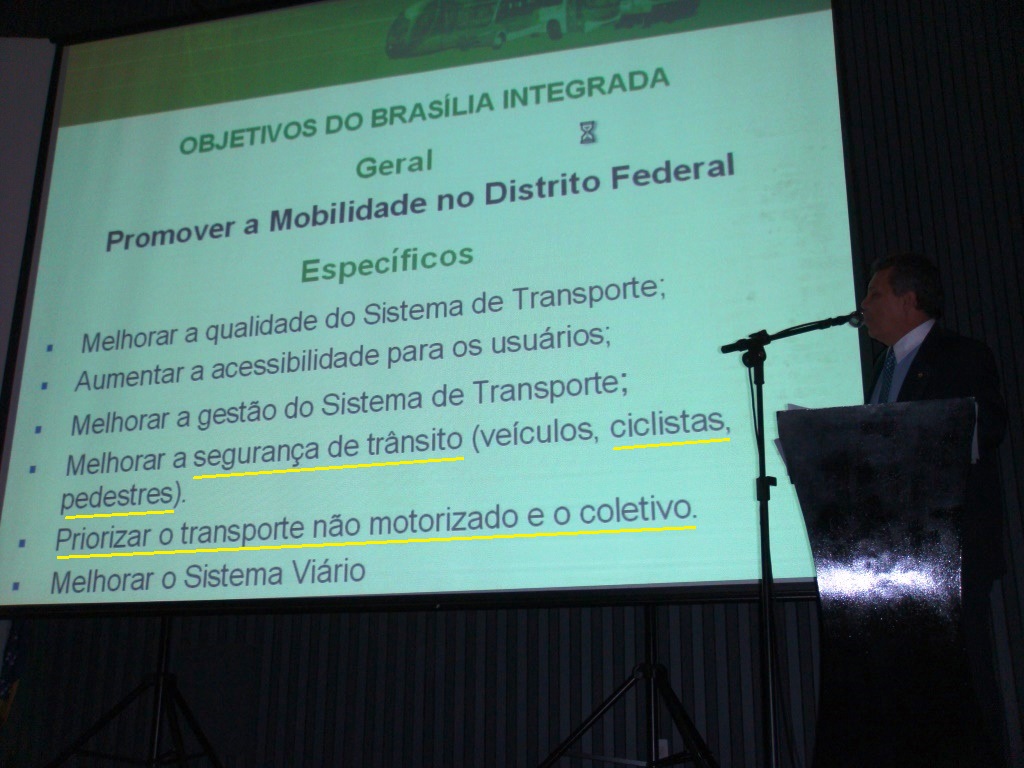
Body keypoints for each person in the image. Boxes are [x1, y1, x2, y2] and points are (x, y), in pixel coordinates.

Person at [860, 251, 1008, 765]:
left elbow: (986, 428)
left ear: (909, 300)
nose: (863, 304)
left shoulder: (960, 354)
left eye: (874, 293)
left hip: (951, 550)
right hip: (895, 558)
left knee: (965, 688)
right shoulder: (884, 369)